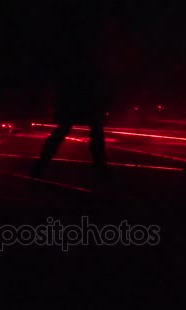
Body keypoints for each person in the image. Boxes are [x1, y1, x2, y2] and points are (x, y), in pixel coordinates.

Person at [29, 9, 113, 181]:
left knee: (67, 130)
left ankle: (40, 166)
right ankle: (100, 170)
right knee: (92, 130)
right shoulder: (88, 43)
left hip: (75, 90)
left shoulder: (70, 41)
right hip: (83, 90)